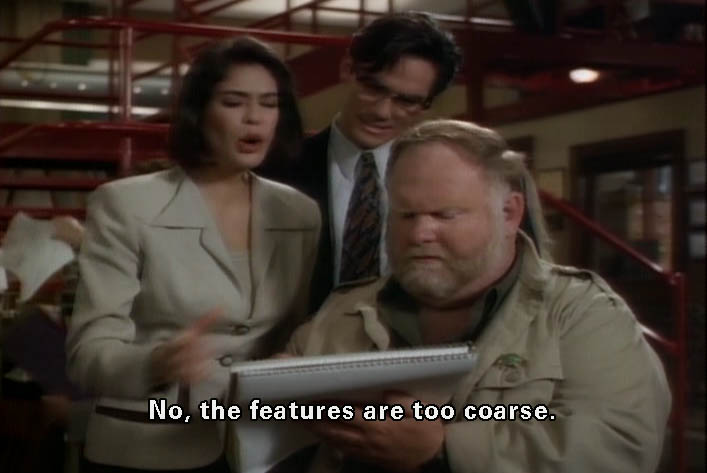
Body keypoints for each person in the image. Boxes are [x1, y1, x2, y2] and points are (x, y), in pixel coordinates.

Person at [286, 119, 671, 473]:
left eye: (445, 215)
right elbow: (271, 417)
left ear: (509, 213)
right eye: (405, 215)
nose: (419, 234)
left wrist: (443, 448)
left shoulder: (581, 314)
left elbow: (618, 448)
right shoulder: (347, 309)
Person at [66, 37, 321, 472]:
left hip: (258, 446)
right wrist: (157, 362)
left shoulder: (299, 212)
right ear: (198, 112)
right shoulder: (127, 204)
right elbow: (86, 355)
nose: (255, 117)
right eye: (234, 102)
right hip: (147, 447)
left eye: (269, 103)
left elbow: (292, 333)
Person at [268, 12, 462, 312]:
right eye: (374, 88)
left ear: (428, 104)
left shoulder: (449, 182)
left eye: (407, 101)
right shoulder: (276, 167)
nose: (383, 112)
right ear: (348, 69)